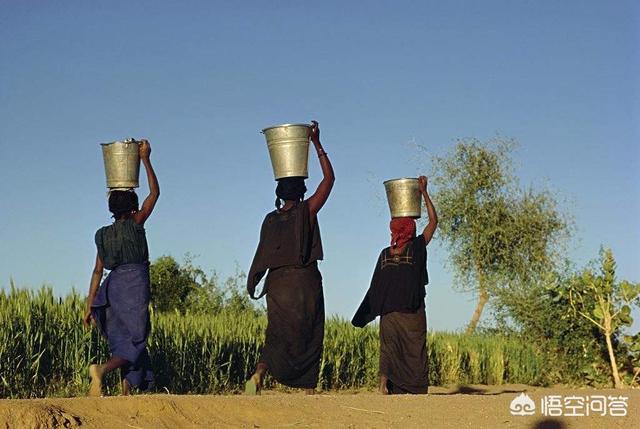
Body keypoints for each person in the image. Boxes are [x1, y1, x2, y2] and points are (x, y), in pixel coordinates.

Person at [246, 120, 334, 395]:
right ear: (302, 190)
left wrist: (254, 280)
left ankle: (259, 373)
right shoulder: (306, 211)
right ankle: (308, 389)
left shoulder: (270, 220)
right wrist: (316, 143)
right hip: (304, 283)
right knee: (310, 332)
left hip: (277, 285)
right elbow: (329, 180)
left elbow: (261, 254)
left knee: (276, 335)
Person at [83, 139, 160, 396]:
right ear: (133, 206)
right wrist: (145, 159)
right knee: (136, 339)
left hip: (112, 287)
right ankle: (102, 370)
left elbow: (97, 271)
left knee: (124, 339)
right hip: (134, 285)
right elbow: (155, 194)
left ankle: (126, 390)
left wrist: (89, 304)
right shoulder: (137, 223)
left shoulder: (103, 234)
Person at [351, 176, 437, 394]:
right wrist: (424, 192)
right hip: (412, 314)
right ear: (410, 230)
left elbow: (376, 287)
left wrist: (368, 312)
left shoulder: (384, 254)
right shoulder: (417, 248)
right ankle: (415, 388)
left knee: (388, 350)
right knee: (415, 349)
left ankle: (383, 384)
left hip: (389, 315)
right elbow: (434, 222)